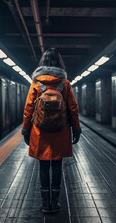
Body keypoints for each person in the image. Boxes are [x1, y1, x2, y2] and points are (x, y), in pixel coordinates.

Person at [21, 48, 82, 213]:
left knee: (43, 165)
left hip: (40, 132)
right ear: (59, 63)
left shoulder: (36, 83)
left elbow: (28, 108)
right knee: (56, 165)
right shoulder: (65, 83)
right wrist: (76, 129)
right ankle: (54, 203)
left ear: (43, 63)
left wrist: (26, 130)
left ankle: (44, 203)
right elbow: (73, 108)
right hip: (60, 131)